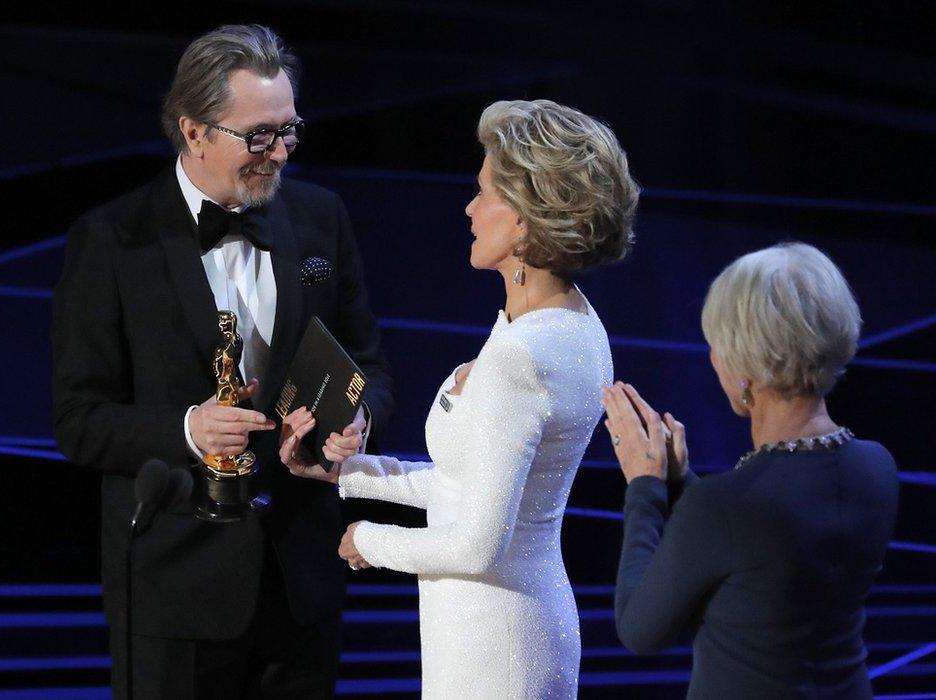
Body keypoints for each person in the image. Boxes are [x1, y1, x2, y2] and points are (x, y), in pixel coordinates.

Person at [51, 25, 393, 699]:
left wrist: (356, 423)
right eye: (258, 136)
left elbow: (372, 365)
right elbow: (78, 420)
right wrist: (187, 429)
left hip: (302, 586)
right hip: (173, 594)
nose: (279, 154)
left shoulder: (321, 218)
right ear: (195, 131)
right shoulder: (112, 241)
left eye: (288, 131)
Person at [281, 99, 640, 697]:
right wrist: (346, 474)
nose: (470, 209)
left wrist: (368, 541)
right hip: (502, 626)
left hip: (495, 646)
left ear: (524, 217)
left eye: (483, 193)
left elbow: (476, 543)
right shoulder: (569, 323)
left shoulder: (521, 356)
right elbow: (466, 485)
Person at [603, 242, 899, 699]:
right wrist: (683, 483)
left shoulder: (728, 507)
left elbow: (641, 629)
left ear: (745, 370)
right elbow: (760, 575)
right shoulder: (877, 467)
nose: (713, 358)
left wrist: (644, 487)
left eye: (716, 346)